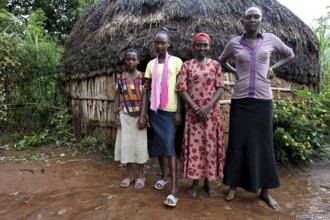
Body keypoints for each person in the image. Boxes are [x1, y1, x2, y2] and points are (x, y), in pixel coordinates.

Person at [218, 7, 294, 210]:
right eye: (248, 17)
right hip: (241, 100)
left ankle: (265, 191)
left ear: (261, 20)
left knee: (264, 144)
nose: (252, 20)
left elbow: (289, 54)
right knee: (237, 142)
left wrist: (272, 69)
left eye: (256, 17)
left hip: (263, 101)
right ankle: (233, 185)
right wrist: (236, 72)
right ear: (242, 21)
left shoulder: (270, 39)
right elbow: (222, 60)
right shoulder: (235, 43)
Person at [176, 33, 226, 197]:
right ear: (193, 47)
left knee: (209, 147)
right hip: (193, 114)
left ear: (209, 47)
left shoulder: (215, 65)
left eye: (205, 45)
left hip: (211, 115)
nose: (202, 48)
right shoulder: (187, 65)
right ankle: (195, 182)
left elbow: (220, 88)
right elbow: (182, 88)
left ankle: (209, 182)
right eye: (199, 45)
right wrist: (196, 108)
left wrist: (207, 107)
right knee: (195, 147)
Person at [141, 28, 183, 207]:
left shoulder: (176, 62)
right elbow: (146, 89)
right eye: (157, 42)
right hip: (154, 110)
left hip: (170, 110)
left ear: (168, 44)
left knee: (168, 145)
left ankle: (174, 188)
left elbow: (181, 88)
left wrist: (180, 111)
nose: (159, 45)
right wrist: (144, 113)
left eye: (163, 42)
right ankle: (164, 176)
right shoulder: (151, 65)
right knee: (159, 145)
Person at [114, 48, 149, 189]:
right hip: (125, 115)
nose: (131, 61)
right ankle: (129, 175)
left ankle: (141, 175)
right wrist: (116, 113)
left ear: (138, 61)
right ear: (125, 61)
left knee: (140, 146)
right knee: (126, 146)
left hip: (139, 116)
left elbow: (146, 96)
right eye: (128, 59)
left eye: (134, 59)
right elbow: (117, 95)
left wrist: (143, 115)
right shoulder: (120, 77)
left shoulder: (143, 77)